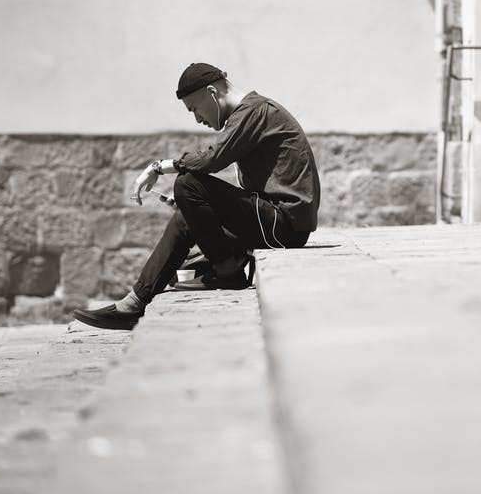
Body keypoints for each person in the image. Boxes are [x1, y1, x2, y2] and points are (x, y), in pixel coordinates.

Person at [73, 63, 321, 330]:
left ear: (213, 92)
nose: (197, 119)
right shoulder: (252, 112)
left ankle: (228, 269)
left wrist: (160, 166)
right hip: (274, 221)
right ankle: (137, 300)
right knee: (185, 214)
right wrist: (199, 213)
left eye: (194, 109)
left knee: (188, 184)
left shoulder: (255, 111)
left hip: (282, 226)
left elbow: (212, 159)